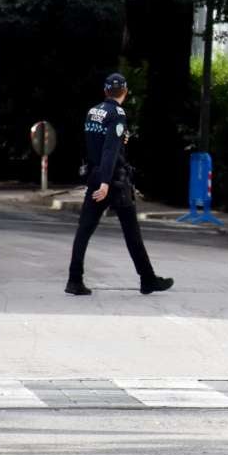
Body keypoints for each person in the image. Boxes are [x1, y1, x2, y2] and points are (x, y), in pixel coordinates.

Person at [65, 73, 173, 296]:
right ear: (124, 91)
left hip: (95, 176)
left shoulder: (93, 112)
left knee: (84, 230)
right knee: (132, 233)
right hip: (113, 181)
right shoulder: (117, 114)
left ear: (105, 91)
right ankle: (147, 279)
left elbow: (94, 145)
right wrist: (106, 182)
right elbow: (110, 150)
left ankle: (74, 280)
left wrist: (98, 178)